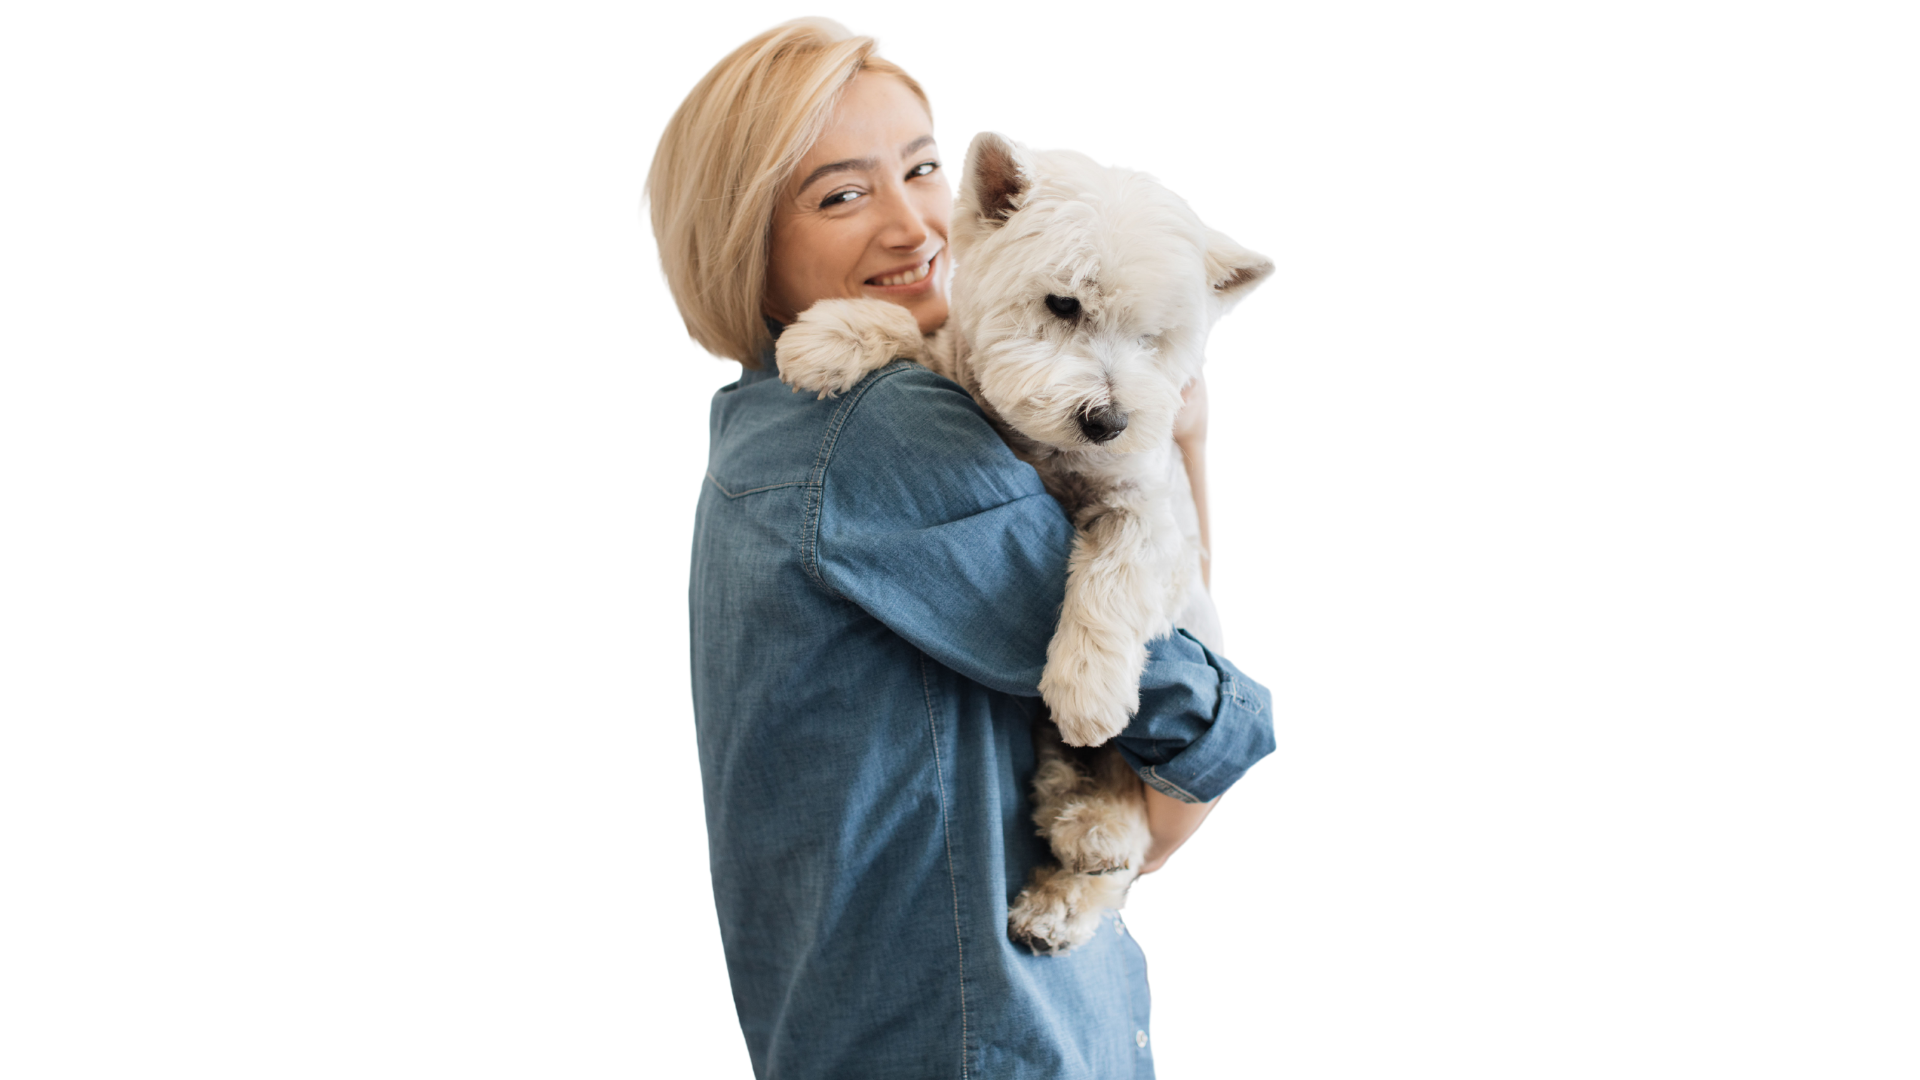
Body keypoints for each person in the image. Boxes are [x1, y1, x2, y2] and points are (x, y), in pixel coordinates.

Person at [645, 16, 1275, 1078]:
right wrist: (1181, 447)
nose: (918, 225)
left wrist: (1178, 440)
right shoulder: (882, 427)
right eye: (840, 195)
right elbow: (1193, 755)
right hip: (985, 1040)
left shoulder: (767, 425)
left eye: (922, 169)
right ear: (744, 233)